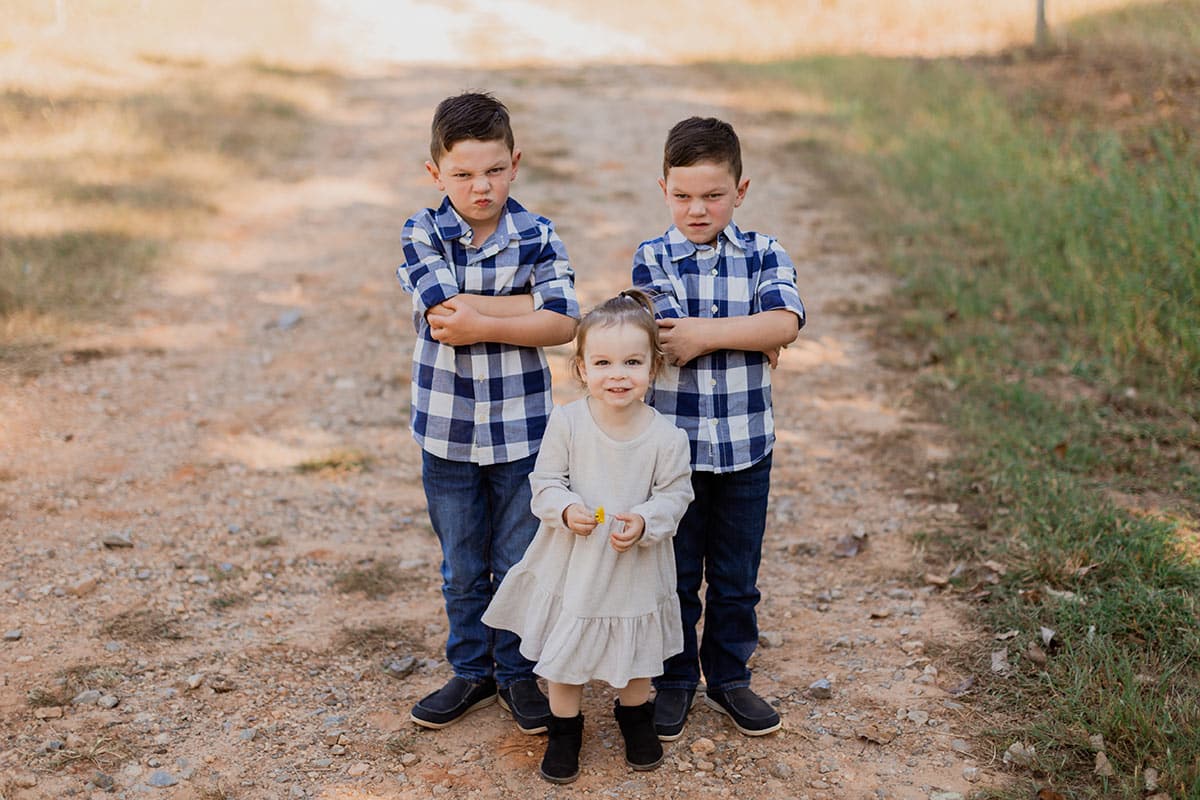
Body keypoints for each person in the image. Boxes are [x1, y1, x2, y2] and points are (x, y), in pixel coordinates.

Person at [396, 91, 579, 735]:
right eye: (464, 173)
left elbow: (563, 323)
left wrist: (488, 316)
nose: (482, 186)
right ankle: (470, 670)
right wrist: (522, 306)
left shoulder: (538, 233)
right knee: (463, 563)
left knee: (520, 556)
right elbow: (446, 319)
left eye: (495, 170)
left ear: (516, 162)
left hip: (522, 431)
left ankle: (516, 672)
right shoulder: (422, 231)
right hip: (446, 432)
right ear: (436, 174)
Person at [632, 116, 806, 741]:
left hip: (745, 450)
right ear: (663, 189)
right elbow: (668, 341)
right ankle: (674, 680)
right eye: (682, 195)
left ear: (741, 190)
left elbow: (785, 321)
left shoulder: (765, 252)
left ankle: (729, 677)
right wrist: (744, 335)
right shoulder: (652, 256)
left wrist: (715, 334)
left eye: (712, 195)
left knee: (736, 576)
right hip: (674, 455)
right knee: (675, 574)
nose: (697, 208)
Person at [483, 290, 694, 784]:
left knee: (637, 652)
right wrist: (566, 508)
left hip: (634, 564)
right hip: (575, 560)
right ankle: (564, 729)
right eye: (602, 362)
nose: (617, 374)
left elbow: (675, 495)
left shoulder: (667, 437)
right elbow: (545, 483)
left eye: (632, 362)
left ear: (653, 367)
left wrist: (644, 520)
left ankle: (635, 718)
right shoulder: (568, 422)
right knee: (567, 651)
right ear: (580, 369)